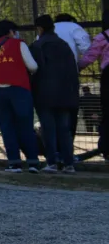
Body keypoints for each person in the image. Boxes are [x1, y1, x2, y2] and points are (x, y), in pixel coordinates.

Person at [0, 20, 40, 173]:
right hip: (19, 89)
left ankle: (14, 163)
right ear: (11, 31)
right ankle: (33, 162)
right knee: (25, 125)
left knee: (7, 127)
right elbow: (33, 66)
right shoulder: (19, 44)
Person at [29, 15, 79, 173]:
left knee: (48, 129)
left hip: (44, 94)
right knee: (65, 129)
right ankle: (68, 163)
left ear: (39, 29)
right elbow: (73, 70)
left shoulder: (37, 46)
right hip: (65, 94)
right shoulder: (64, 45)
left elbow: (33, 71)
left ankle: (51, 162)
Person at [54, 12, 91, 145]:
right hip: (69, 75)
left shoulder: (47, 29)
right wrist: (79, 65)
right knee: (71, 109)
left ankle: (55, 149)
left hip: (48, 78)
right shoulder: (74, 27)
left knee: (52, 112)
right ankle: (68, 145)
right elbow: (87, 49)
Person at [78, 28, 109, 161]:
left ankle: (106, 148)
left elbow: (90, 56)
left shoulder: (103, 37)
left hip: (108, 74)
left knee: (107, 113)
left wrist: (77, 67)